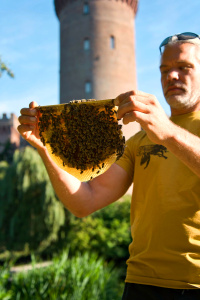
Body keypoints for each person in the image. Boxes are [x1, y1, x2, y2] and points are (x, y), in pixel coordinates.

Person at [18, 32, 200, 299]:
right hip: (140, 283)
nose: (171, 76)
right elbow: (85, 201)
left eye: (184, 67)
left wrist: (168, 133)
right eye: (164, 70)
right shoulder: (140, 139)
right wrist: (46, 149)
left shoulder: (160, 131)